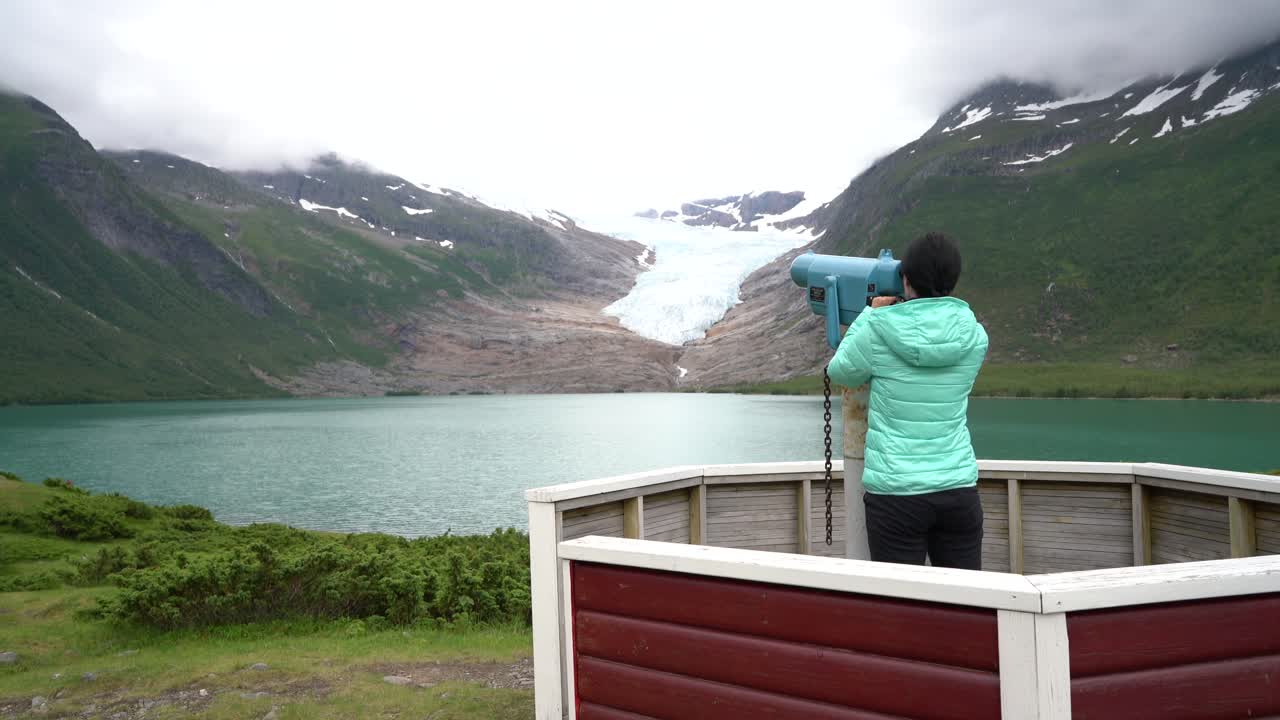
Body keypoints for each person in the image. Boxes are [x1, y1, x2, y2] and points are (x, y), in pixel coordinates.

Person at [826, 232, 989, 569]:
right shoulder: (974, 335)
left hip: (895, 493)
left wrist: (870, 314)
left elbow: (840, 371)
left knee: (900, 609)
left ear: (905, 278)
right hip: (957, 489)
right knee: (965, 604)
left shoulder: (878, 327)